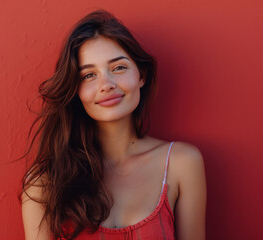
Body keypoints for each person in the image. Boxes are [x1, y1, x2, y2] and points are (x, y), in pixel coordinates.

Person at [20, 9, 206, 240]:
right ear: (75, 90)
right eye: (89, 75)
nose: (106, 84)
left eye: (118, 68)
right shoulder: (45, 182)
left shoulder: (181, 163)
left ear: (141, 75)